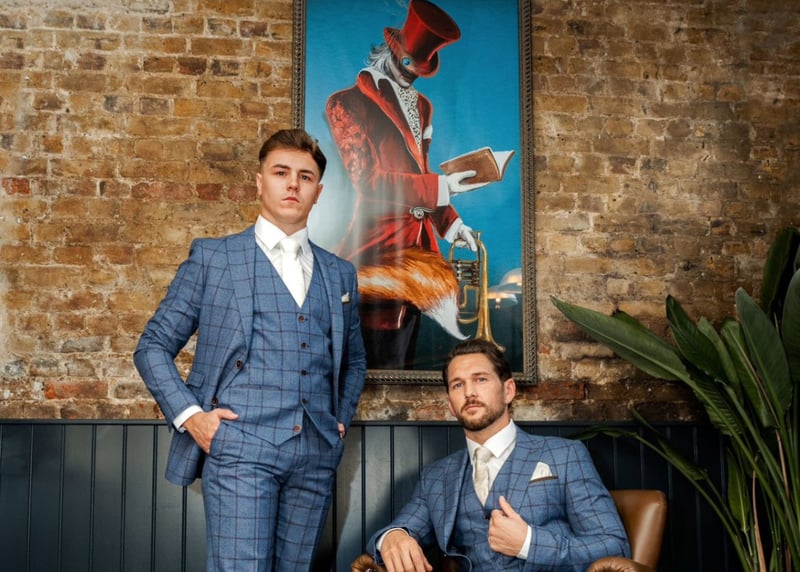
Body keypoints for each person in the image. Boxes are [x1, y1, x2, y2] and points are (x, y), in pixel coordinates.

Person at [133, 128, 367, 571]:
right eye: (281, 173)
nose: (293, 184)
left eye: (305, 176)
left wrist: (339, 419)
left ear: (318, 191)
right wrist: (193, 418)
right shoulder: (214, 258)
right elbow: (153, 346)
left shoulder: (340, 274)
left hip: (316, 454)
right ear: (260, 182)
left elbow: (354, 360)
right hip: (239, 448)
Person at [367, 339, 630, 571]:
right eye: (458, 385)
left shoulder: (565, 456)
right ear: (450, 405)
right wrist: (392, 536)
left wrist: (528, 543)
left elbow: (614, 545)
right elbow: (400, 528)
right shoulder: (437, 477)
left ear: (508, 391)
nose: (469, 392)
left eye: (480, 379)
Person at [325, 0, 483, 369]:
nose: (414, 77)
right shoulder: (346, 103)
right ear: (390, 55)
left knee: (404, 362)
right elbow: (368, 181)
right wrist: (442, 188)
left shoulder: (422, 106)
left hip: (420, 254)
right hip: (377, 247)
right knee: (376, 359)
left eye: (421, 70)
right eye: (411, 66)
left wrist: (451, 224)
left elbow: (419, 170)